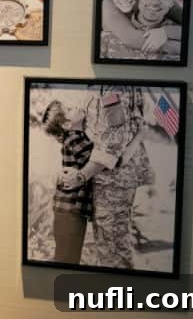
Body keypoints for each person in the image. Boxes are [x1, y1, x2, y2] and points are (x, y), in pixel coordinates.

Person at [59, 86, 154, 269]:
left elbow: (113, 143)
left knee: (112, 251)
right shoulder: (100, 85)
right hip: (106, 178)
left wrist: (81, 176)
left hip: (113, 181)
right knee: (111, 247)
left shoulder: (113, 88)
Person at [42, 100, 94, 264]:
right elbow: (98, 161)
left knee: (67, 255)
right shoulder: (75, 140)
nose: (77, 105)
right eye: (70, 108)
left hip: (67, 210)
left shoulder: (73, 138)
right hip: (71, 211)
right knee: (68, 258)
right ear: (66, 123)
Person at [101, 0, 182, 59]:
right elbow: (131, 38)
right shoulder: (109, 4)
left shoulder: (171, 7)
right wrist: (179, 47)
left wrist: (166, 31)